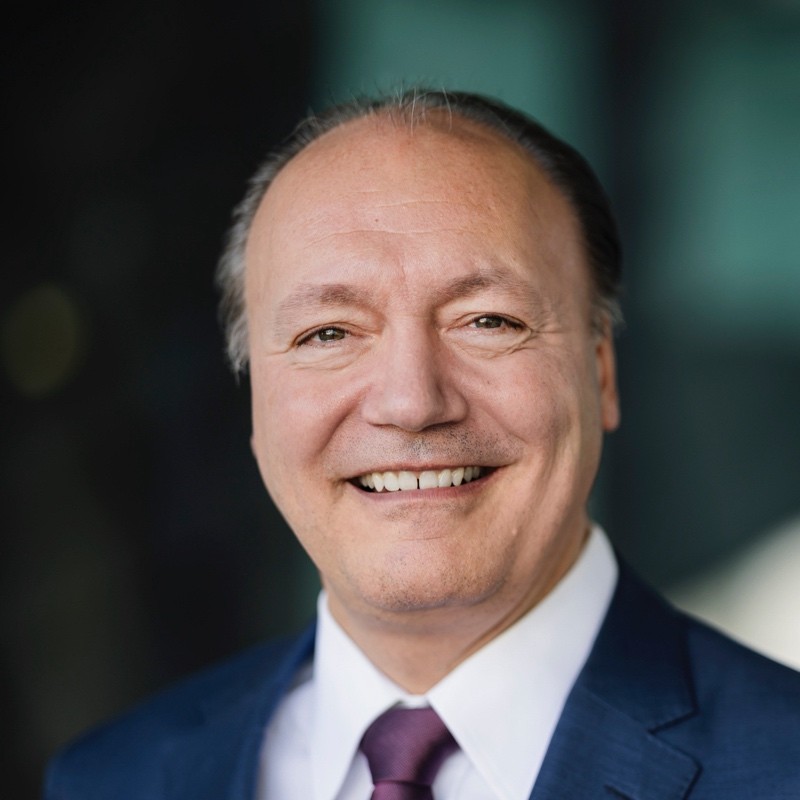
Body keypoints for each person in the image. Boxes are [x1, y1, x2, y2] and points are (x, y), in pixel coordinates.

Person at [45, 89, 800, 799]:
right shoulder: (112, 780)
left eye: (488, 321)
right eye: (328, 333)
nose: (411, 403)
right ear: (256, 401)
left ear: (600, 372)